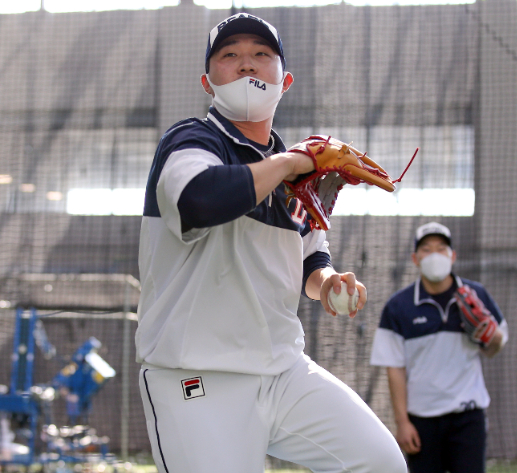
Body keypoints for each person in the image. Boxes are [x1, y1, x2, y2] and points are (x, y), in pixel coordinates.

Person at [135, 13, 406, 473]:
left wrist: (329, 284)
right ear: (207, 81)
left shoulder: (299, 174)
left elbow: (309, 265)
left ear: (285, 80)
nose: (246, 64)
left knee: (380, 464)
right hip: (196, 374)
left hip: (282, 370)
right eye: (230, 55)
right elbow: (200, 200)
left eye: (262, 55)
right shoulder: (192, 140)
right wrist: (290, 162)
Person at [370, 222, 509, 473]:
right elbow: (394, 369)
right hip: (422, 420)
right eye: (426, 249)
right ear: (415, 258)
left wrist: (490, 334)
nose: (434, 255)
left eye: (441, 248)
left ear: (452, 256)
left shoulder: (476, 295)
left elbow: (494, 347)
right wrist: (402, 422)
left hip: (468, 415)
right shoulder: (398, 306)